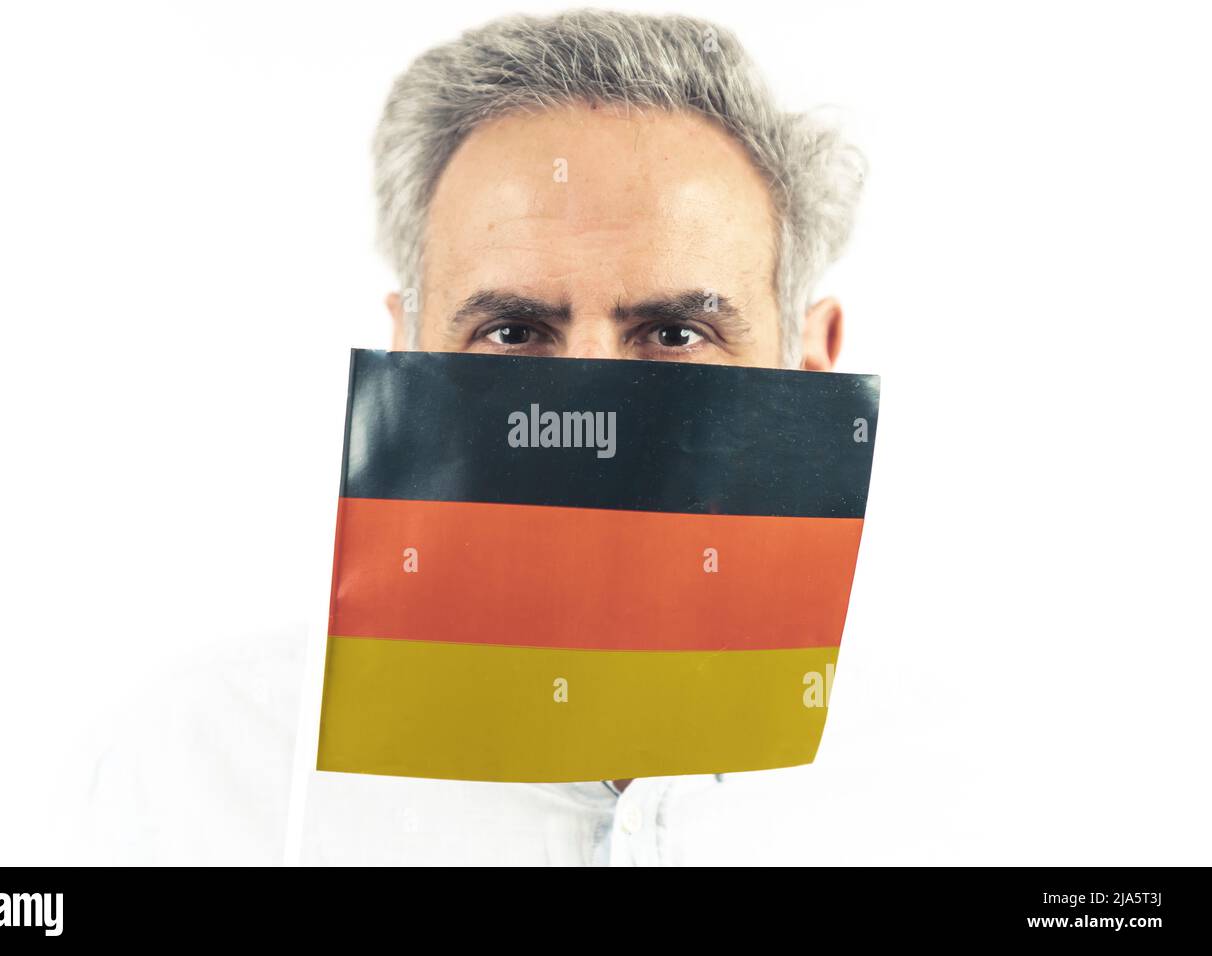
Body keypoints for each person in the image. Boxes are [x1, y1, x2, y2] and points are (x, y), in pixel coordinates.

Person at [81, 8, 866, 865]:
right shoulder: (195, 774)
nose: (589, 418)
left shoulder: (976, 774)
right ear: (406, 354)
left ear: (808, 362)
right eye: (513, 332)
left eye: (676, 332)